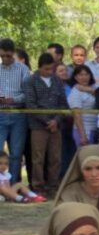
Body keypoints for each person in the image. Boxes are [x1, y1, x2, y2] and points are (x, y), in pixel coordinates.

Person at [22, 52, 68, 197]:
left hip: (56, 126)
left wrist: (56, 120)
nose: (49, 72)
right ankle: (38, 188)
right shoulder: (30, 81)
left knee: (55, 158)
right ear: (39, 67)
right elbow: (31, 105)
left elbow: (63, 105)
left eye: (51, 69)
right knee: (38, 158)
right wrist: (47, 121)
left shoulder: (57, 81)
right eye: (46, 69)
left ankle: (53, 187)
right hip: (38, 126)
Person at [0, 38, 31, 184]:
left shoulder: (23, 69)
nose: (5, 59)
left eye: (8, 55)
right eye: (2, 56)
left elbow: (27, 94)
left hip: (18, 115)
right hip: (1, 114)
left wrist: (13, 99)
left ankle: (12, 185)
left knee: (16, 153)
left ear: (13, 53)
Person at [67, 65, 97, 146]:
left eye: (87, 74)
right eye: (81, 75)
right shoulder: (75, 92)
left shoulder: (92, 89)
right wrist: (82, 136)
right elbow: (77, 115)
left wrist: (89, 90)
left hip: (94, 128)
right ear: (75, 77)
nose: (84, 77)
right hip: (84, 131)